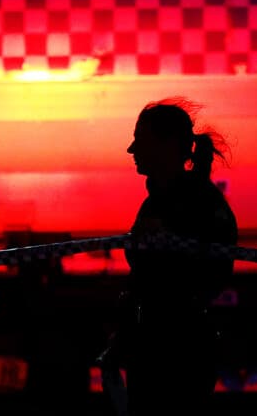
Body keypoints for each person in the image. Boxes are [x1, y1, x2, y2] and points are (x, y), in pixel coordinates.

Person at [102, 98, 238, 416]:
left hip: (178, 353)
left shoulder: (200, 202)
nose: (131, 149)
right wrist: (125, 336)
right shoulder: (158, 202)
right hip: (151, 347)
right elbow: (144, 280)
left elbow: (211, 270)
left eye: (141, 139)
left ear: (167, 145)